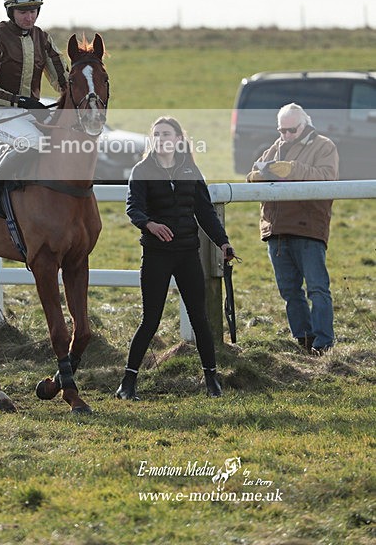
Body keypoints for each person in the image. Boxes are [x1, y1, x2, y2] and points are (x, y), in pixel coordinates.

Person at [115, 117, 236, 401]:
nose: (160, 138)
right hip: (156, 255)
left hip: (187, 254)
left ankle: (211, 380)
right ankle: (127, 383)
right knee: (150, 320)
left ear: (179, 138)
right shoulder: (142, 170)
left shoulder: (189, 169)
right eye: (156, 134)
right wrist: (150, 225)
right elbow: (133, 208)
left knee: (200, 318)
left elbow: (205, 212)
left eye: (166, 133)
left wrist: (223, 242)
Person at [247, 102, 339, 354]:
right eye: (281, 130)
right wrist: (257, 175)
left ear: (305, 125)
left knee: (317, 288)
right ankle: (304, 339)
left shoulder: (324, 146)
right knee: (289, 291)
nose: (285, 135)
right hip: (276, 230)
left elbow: (327, 178)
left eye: (291, 130)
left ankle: (323, 343)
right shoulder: (274, 148)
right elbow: (252, 174)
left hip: (308, 228)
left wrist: (292, 170)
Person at [0, 0, 69, 216]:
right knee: (33, 143)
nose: (30, 17)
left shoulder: (42, 38)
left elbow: (62, 81)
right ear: (10, 11)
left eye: (34, 11)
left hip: (30, 114)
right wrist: (19, 101)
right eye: (23, 12)